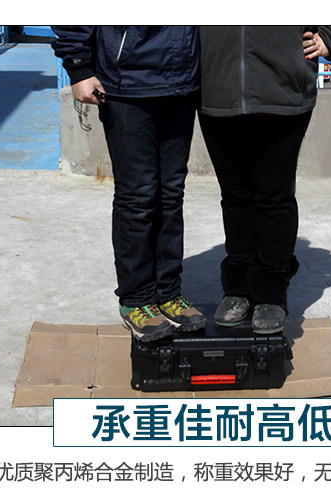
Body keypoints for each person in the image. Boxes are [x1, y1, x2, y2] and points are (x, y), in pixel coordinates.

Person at [198, 26, 331, 334]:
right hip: (216, 85)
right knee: (235, 196)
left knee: (273, 196)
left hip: (283, 89)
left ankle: (270, 292)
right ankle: (237, 288)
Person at [51, 26, 206, 342]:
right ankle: (136, 299)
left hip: (181, 83)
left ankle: (168, 292)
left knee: (171, 193)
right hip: (127, 83)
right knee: (137, 196)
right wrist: (78, 67)